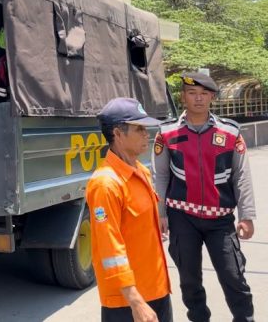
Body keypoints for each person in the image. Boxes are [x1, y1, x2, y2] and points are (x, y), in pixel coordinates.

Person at [154, 73, 256, 322]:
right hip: (181, 218)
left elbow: (241, 176)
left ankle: (245, 318)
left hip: (220, 219)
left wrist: (247, 215)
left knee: (233, 276)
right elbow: (160, 176)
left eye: (204, 93)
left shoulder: (230, 131)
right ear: (183, 97)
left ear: (211, 96)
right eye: (192, 93)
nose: (198, 98)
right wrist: (160, 213)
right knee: (189, 280)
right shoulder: (166, 133)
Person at [86, 97, 172, 322]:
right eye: (139, 128)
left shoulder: (141, 171)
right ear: (118, 134)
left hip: (156, 289)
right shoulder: (106, 184)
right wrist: (135, 300)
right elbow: (110, 248)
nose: (146, 134)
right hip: (128, 302)